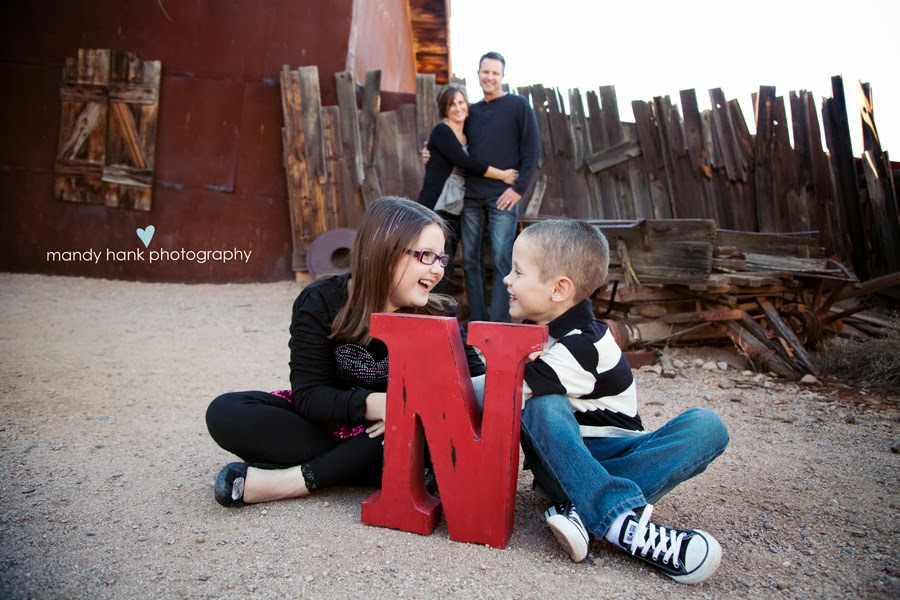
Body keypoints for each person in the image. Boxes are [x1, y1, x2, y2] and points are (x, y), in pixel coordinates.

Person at [205, 197, 486, 507]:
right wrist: (388, 404)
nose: (437, 271)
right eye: (426, 256)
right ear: (383, 251)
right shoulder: (321, 301)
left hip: (397, 434)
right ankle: (381, 470)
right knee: (227, 411)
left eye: (441, 259)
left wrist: (411, 411)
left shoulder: (439, 313)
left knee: (423, 436)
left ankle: (290, 481)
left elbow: (473, 389)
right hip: (334, 423)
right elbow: (310, 397)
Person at [503, 219, 730, 584]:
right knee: (543, 404)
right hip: (558, 460)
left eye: (517, 271)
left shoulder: (585, 345)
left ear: (560, 289)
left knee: (707, 427)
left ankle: (583, 509)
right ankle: (618, 522)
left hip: (611, 455)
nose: (506, 280)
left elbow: (493, 391)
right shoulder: (533, 335)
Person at [461, 51, 540, 323]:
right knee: (470, 261)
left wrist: (518, 189)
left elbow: (532, 151)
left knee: (502, 262)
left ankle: (496, 325)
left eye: (495, 73)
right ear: (478, 73)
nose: (489, 77)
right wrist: (430, 153)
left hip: (503, 198)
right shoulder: (471, 112)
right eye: (485, 72)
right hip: (470, 197)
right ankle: (477, 323)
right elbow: (454, 145)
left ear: (502, 76)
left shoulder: (518, 106)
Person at [417, 84, 518, 294]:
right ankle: (428, 306)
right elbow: (465, 162)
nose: (457, 108)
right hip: (437, 203)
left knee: (448, 258)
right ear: (444, 109)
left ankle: (441, 308)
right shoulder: (442, 130)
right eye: (451, 104)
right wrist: (503, 175)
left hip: (456, 205)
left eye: (461, 102)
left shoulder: (468, 132)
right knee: (431, 257)